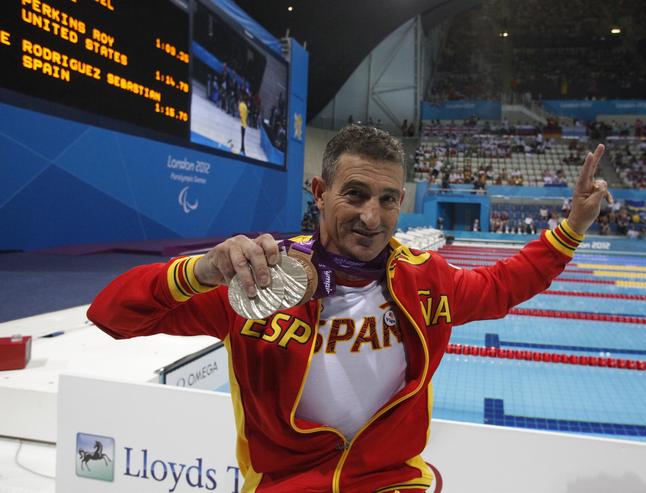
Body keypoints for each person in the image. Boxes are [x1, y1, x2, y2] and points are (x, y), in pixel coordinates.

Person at [87, 126, 611, 493]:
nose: (371, 216)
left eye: (387, 199)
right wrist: (199, 271)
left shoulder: (424, 279)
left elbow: (502, 286)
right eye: (355, 194)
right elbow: (111, 314)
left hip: (392, 482)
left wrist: (572, 229)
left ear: (401, 201)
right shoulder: (260, 279)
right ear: (320, 191)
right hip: (287, 486)